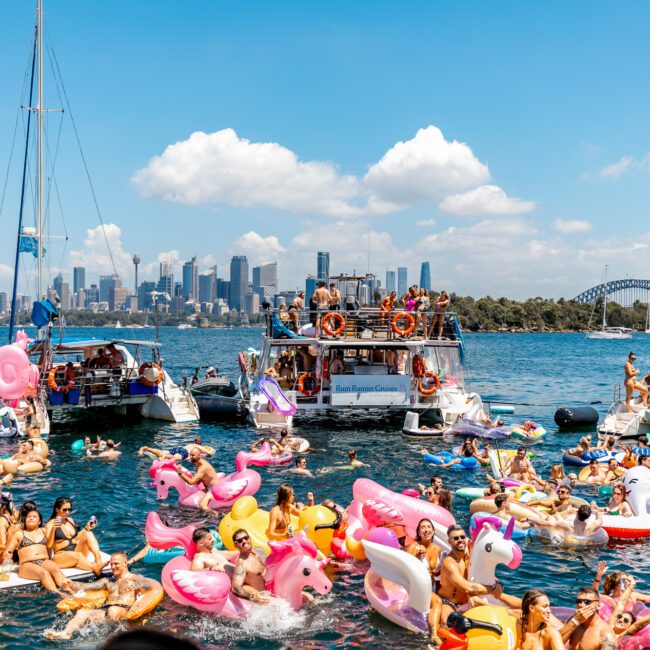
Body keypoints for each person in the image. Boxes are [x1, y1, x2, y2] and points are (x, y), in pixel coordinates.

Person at [44, 551, 162, 640]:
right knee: (83, 612)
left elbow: (152, 585)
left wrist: (141, 586)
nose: (112, 567)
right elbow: (86, 586)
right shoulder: (107, 581)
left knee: (113, 610)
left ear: (125, 563)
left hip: (123, 610)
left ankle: (109, 638)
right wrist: (71, 583)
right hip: (106, 611)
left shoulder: (136, 579)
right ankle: (66, 633)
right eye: (111, 564)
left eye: (116, 564)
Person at [438, 524, 504, 623]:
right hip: (449, 602)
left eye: (462, 537)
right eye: (456, 538)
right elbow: (467, 588)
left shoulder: (470, 557)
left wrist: (499, 585)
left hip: (469, 600)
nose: (460, 540)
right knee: (446, 622)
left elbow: (486, 574)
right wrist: (491, 590)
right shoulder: (449, 562)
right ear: (449, 541)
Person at [3, 508, 71, 594]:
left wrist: (53, 529)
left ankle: (71, 592)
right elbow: (8, 551)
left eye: (34, 517)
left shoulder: (43, 531)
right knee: (44, 573)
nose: (31, 518)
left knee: (55, 569)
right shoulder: (19, 534)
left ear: (39, 522)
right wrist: (7, 555)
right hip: (26, 565)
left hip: (43, 561)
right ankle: (60, 594)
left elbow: (49, 545)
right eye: (28, 517)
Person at [45, 497, 104, 576]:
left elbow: (75, 539)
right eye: (64, 510)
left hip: (75, 552)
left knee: (89, 534)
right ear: (57, 510)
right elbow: (48, 545)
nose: (67, 512)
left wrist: (87, 528)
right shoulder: (50, 524)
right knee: (78, 555)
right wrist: (53, 529)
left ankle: (98, 560)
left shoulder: (70, 520)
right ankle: (95, 568)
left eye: (69, 510)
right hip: (61, 556)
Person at [406, 519, 442, 643]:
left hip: (431, 589)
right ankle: (434, 636)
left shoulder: (437, 549)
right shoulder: (414, 546)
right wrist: (415, 556)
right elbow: (404, 567)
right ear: (419, 532)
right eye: (423, 527)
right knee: (437, 602)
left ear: (433, 531)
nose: (426, 530)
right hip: (417, 588)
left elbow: (438, 574)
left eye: (429, 527)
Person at [175, 447, 222, 511]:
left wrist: (180, 472)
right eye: (190, 455)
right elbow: (198, 480)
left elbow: (191, 482)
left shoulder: (202, 467)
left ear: (199, 456)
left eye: (193, 455)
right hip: (208, 489)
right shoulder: (198, 464)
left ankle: (216, 515)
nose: (190, 457)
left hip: (214, 489)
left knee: (202, 505)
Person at [230, 528, 270, 603]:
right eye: (240, 541)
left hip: (274, 591)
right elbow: (235, 587)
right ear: (236, 545)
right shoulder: (242, 565)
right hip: (264, 599)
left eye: (246, 538)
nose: (244, 541)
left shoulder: (259, 550)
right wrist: (252, 597)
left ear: (250, 538)